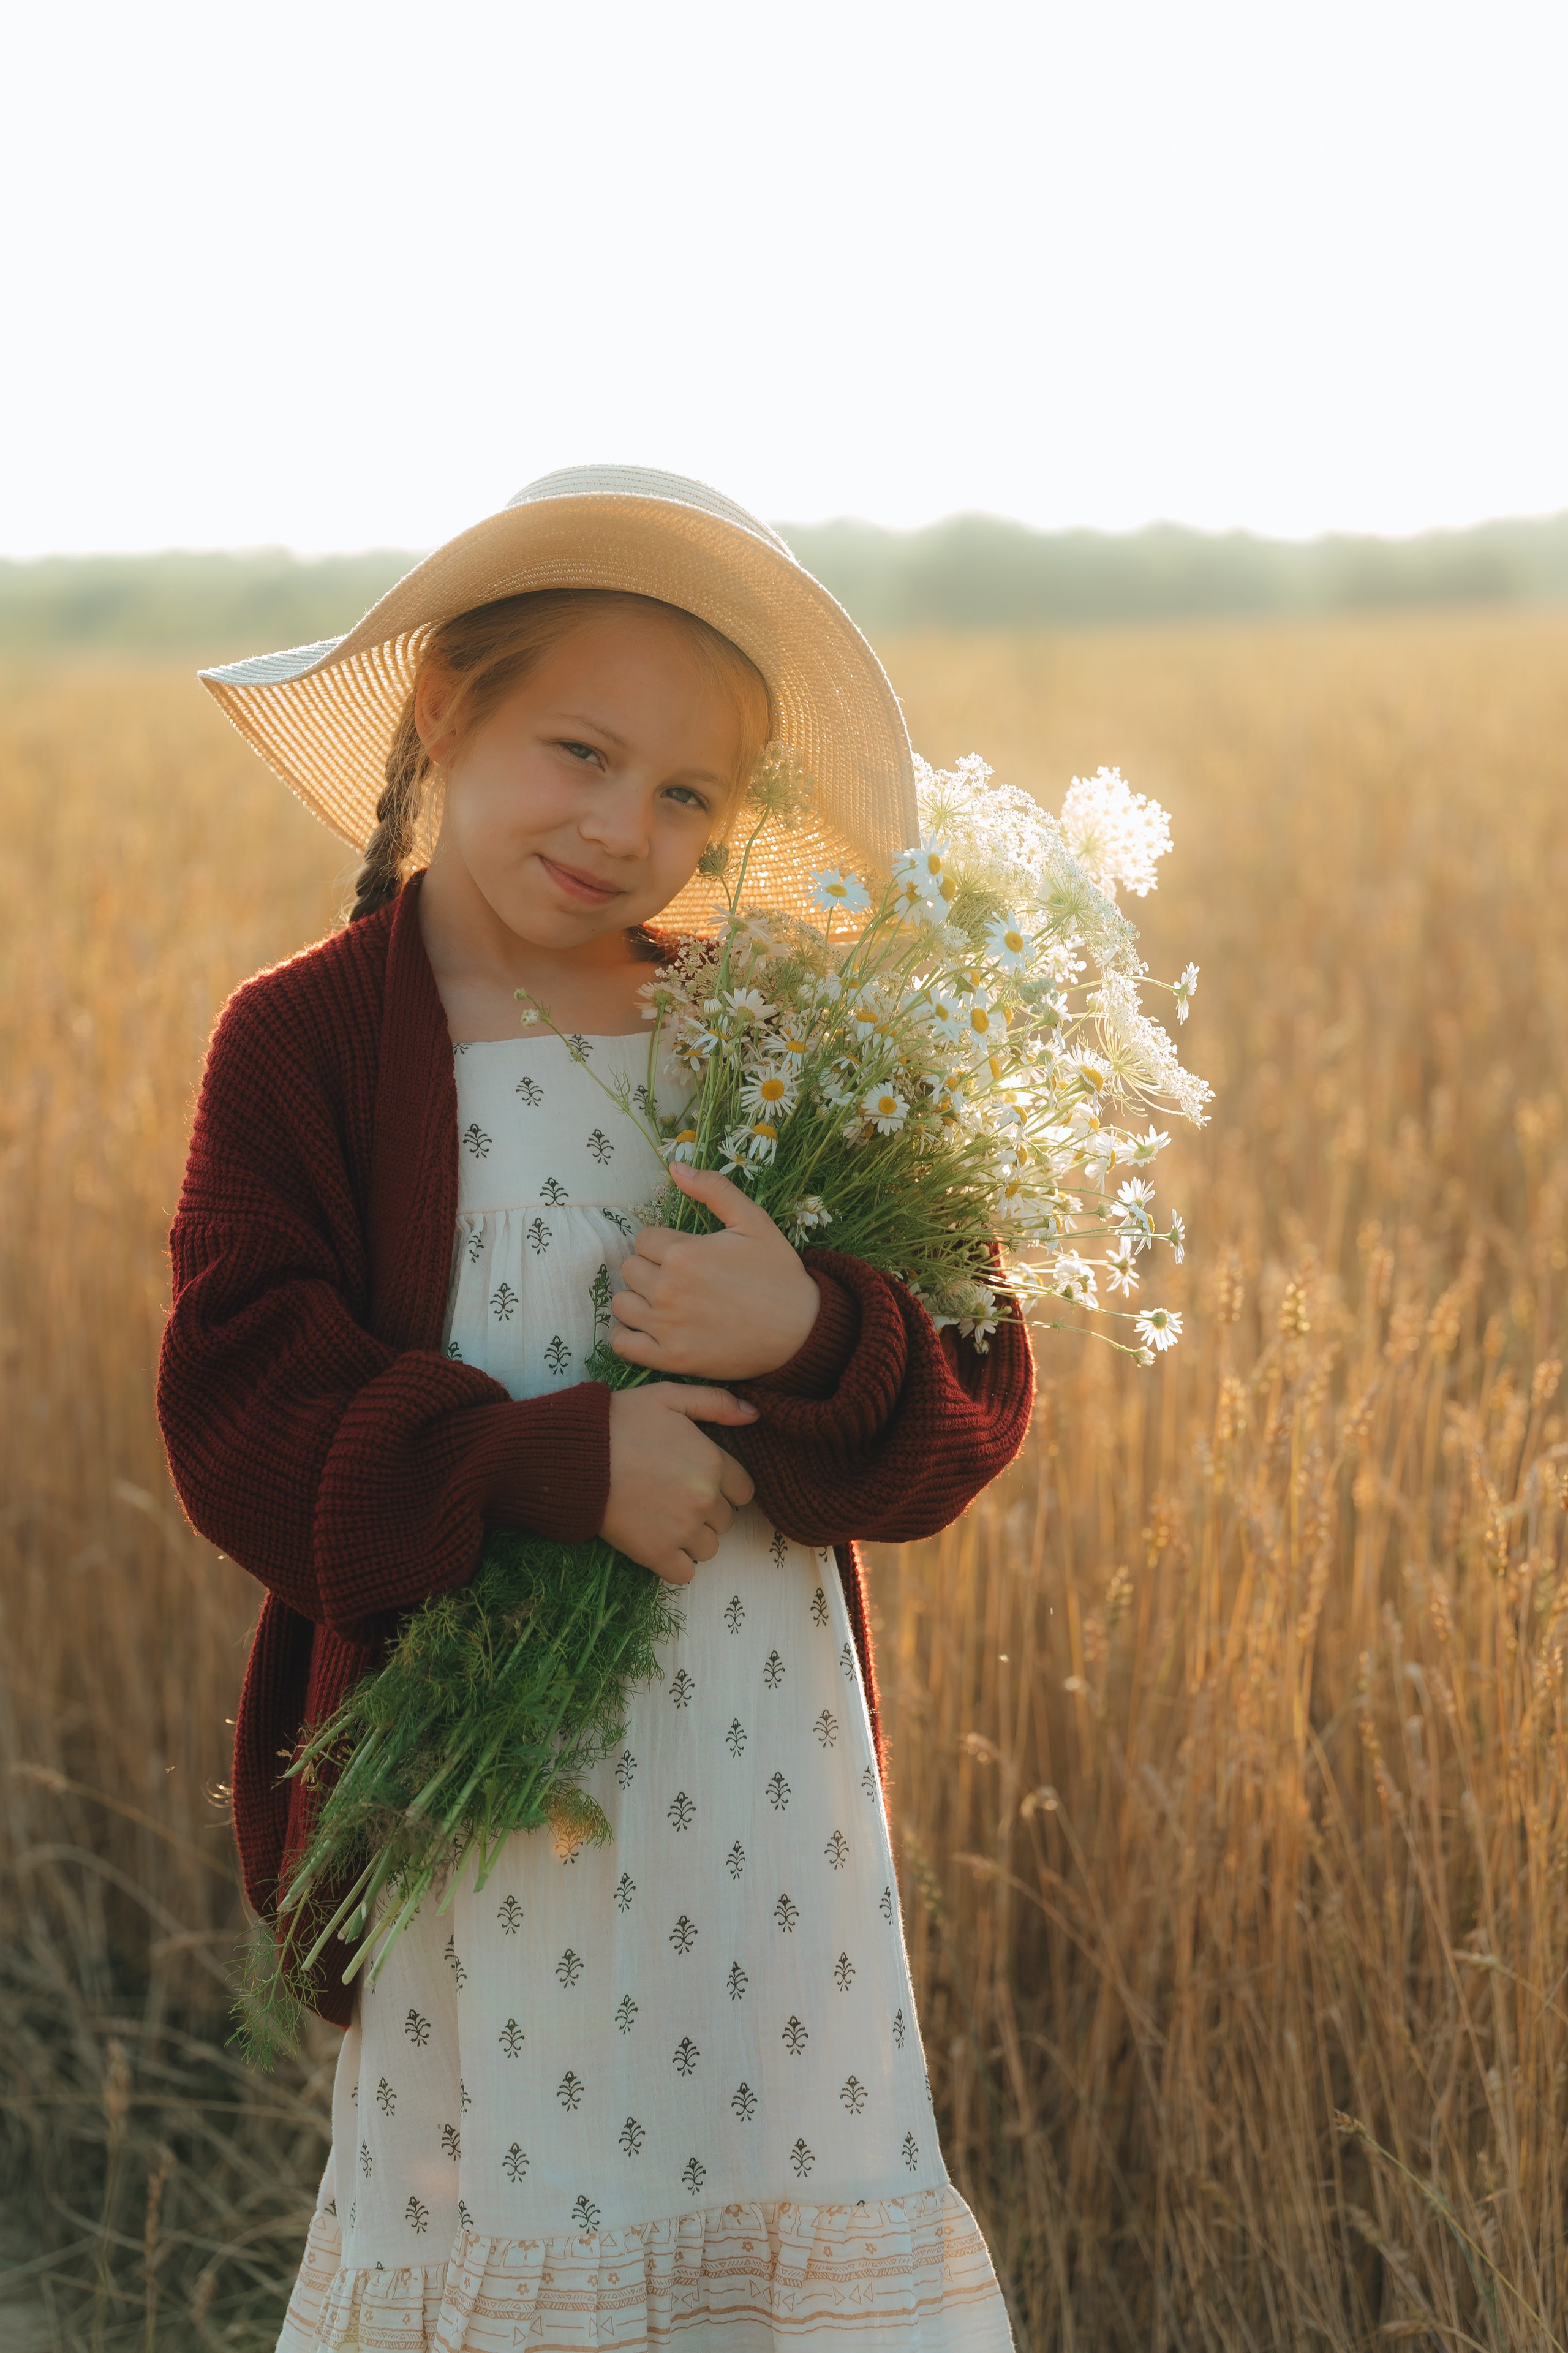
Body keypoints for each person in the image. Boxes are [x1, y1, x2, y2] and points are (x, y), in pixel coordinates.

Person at [157, 467, 1034, 2351]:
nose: (622, 826)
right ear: (444, 710)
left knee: (767, 2216)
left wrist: (811, 1326)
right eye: (578, 749)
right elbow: (242, 1408)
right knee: (527, 2215)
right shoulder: (309, 1037)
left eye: (688, 793)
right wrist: (552, 1463)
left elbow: (973, 1388)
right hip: (497, 1803)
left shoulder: (768, 1040)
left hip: (762, 1782)